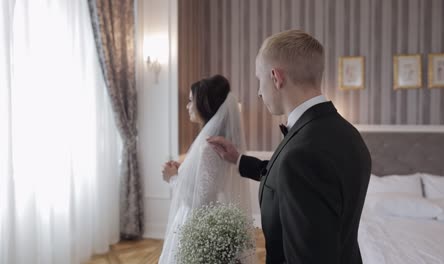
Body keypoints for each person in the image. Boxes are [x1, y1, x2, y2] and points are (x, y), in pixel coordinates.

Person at [208, 30, 371, 264]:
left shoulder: (303, 153)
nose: (259, 91)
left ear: (276, 77)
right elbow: (290, 180)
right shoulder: (347, 133)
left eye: (259, 79)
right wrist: (239, 159)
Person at [159, 75, 253, 264]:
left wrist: (172, 178)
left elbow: (201, 201)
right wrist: (183, 171)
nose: (187, 106)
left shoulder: (209, 147)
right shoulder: (211, 141)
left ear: (203, 105)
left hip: (194, 221)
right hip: (202, 220)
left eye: (191, 101)